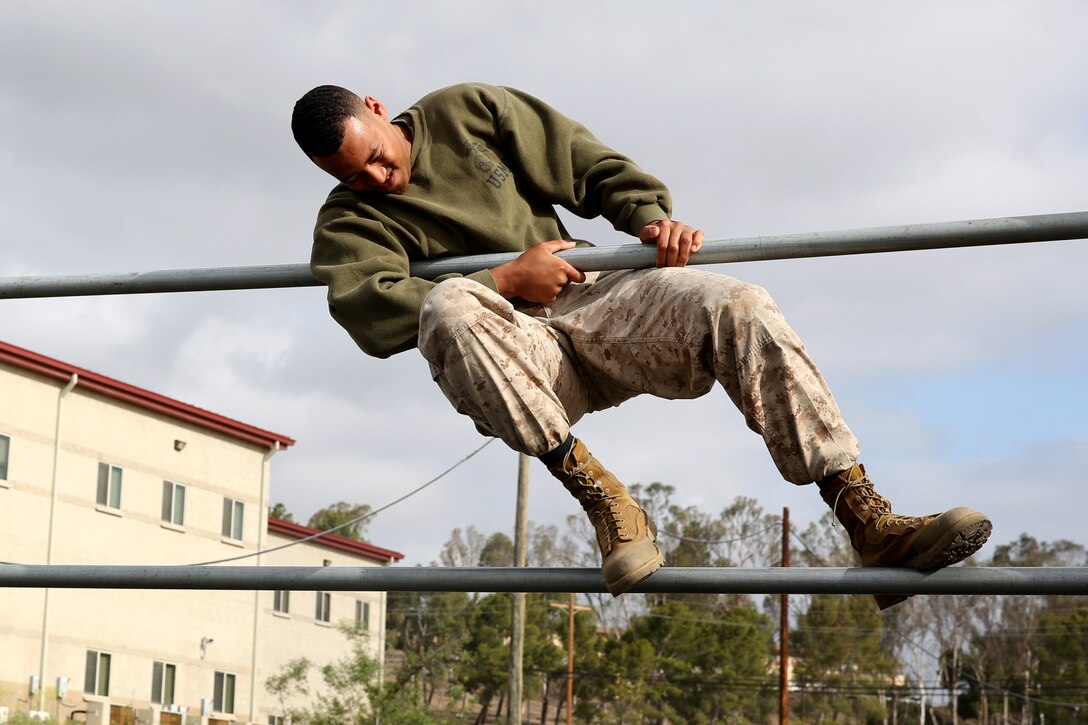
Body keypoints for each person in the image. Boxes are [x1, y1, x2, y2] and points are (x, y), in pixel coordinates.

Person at [291, 82, 991, 607]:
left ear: (379, 109)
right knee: (446, 306)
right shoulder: (349, 222)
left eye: (379, 160)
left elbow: (583, 161)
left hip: (600, 299)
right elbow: (371, 312)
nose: (380, 180)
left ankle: (865, 516)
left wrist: (650, 220)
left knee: (738, 303)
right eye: (355, 176)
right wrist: (505, 276)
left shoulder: (464, 111)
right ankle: (609, 506)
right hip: (525, 361)